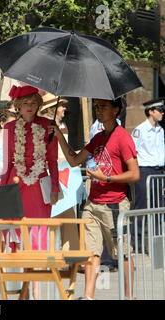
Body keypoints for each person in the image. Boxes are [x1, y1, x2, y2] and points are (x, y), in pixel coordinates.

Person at [49, 97, 140, 300]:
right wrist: (58, 136)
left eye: (103, 106)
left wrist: (105, 177)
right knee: (92, 252)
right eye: (96, 106)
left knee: (122, 252)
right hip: (93, 202)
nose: (98, 110)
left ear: (116, 110)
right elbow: (73, 160)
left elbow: (135, 174)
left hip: (115, 203)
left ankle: (129, 296)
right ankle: (89, 295)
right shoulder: (99, 137)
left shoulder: (123, 137)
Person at [1, 85, 60, 299]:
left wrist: (55, 186)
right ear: (17, 105)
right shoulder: (8, 128)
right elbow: (6, 164)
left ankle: (36, 292)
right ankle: (22, 292)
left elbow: (52, 161)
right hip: (16, 185)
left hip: (38, 187)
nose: (30, 107)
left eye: (34, 103)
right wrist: (2, 193)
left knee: (37, 237)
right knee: (16, 237)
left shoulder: (48, 125)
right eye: (25, 103)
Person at [38, 93, 82, 251]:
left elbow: (64, 151)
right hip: (53, 174)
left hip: (67, 174)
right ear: (52, 108)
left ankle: (72, 254)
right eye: (62, 105)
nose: (64, 108)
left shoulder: (62, 125)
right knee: (54, 214)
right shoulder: (45, 127)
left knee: (69, 213)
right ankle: (52, 254)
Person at [131, 99, 164, 251]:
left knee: (158, 207)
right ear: (151, 111)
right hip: (144, 171)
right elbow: (133, 152)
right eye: (160, 110)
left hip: (159, 171)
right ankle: (137, 243)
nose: (163, 113)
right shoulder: (140, 130)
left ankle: (156, 243)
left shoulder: (161, 130)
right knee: (141, 207)